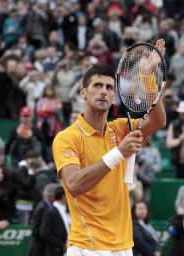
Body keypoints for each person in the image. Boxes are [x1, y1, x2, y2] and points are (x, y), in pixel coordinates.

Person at [52, 39, 166, 255]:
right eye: (97, 86)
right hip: (87, 246)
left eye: (108, 88)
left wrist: (148, 76)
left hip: (123, 246)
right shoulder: (66, 138)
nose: (103, 92)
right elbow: (74, 184)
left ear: (114, 97)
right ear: (83, 92)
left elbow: (158, 121)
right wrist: (118, 153)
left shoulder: (120, 128)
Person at [28, 183, 59, 256]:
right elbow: (35, 230)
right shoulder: (42, 208)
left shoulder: (48, 206)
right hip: (39, 248)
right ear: (51, 196)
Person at [40, 186, 70, 256]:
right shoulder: (49, 212)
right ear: (63, 196)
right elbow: (45, 233)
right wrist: (62, 245)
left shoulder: (68, 211)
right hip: (55, 252)